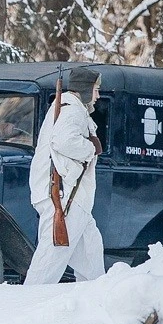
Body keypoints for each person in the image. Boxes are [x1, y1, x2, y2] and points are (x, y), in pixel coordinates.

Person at [24, 66, 105, 285]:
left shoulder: (68, 108)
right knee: (51, 257)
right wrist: (91, 148)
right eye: (96, 90)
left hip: (69, 195)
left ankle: (95, 298)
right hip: (64, 195)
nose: (98, 96)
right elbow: (63, 141)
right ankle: (28, 300)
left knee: (91, 250)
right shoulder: (73, 110)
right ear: (85, 89)